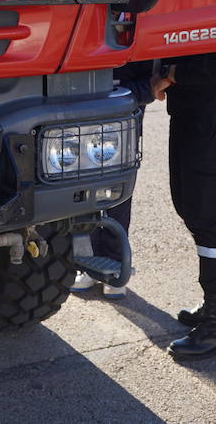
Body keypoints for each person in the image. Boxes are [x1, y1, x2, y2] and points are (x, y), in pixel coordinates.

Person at [158, 52, 216, 360]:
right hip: (192, 112)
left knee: (206, 216)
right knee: (190, 208)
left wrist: (169, 72)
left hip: (213, 116)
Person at [72, 60, 155, 300]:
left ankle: (114, 262)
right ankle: (83, 259)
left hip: (124, 95)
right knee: (78, 180)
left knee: (117, 184)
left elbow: (152, 76)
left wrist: (153, 86)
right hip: (80, 91)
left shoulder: (134, 21)